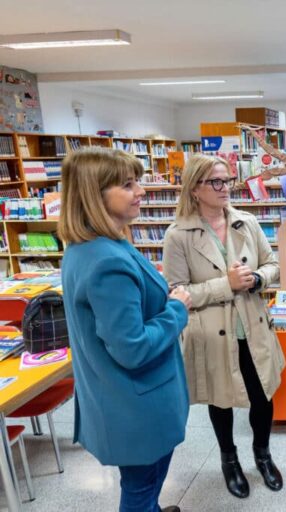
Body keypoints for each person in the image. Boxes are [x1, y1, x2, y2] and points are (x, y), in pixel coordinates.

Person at [59, 147, 191, 512]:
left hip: (120, 397)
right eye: (128, 185)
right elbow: (132, 348)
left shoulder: (89, 246)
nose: (142, 191)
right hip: (136, 405)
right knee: (140, 486)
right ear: (94, 194)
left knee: (142, 484)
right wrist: (178, 309)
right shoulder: (107, 262)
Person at [162, 155, 284, 498]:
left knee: (263, 395)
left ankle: (263, 454)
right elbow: (177, 293)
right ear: (195, 188)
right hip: (213, 332)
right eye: (215, 182)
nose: (224, 188)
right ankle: (229, 460)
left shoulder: (246, 222)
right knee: (221, 399)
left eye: (227, 180)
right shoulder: (178, 235)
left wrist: (259, 277)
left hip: (253, 325)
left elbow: (272, 264)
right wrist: (226, 285)